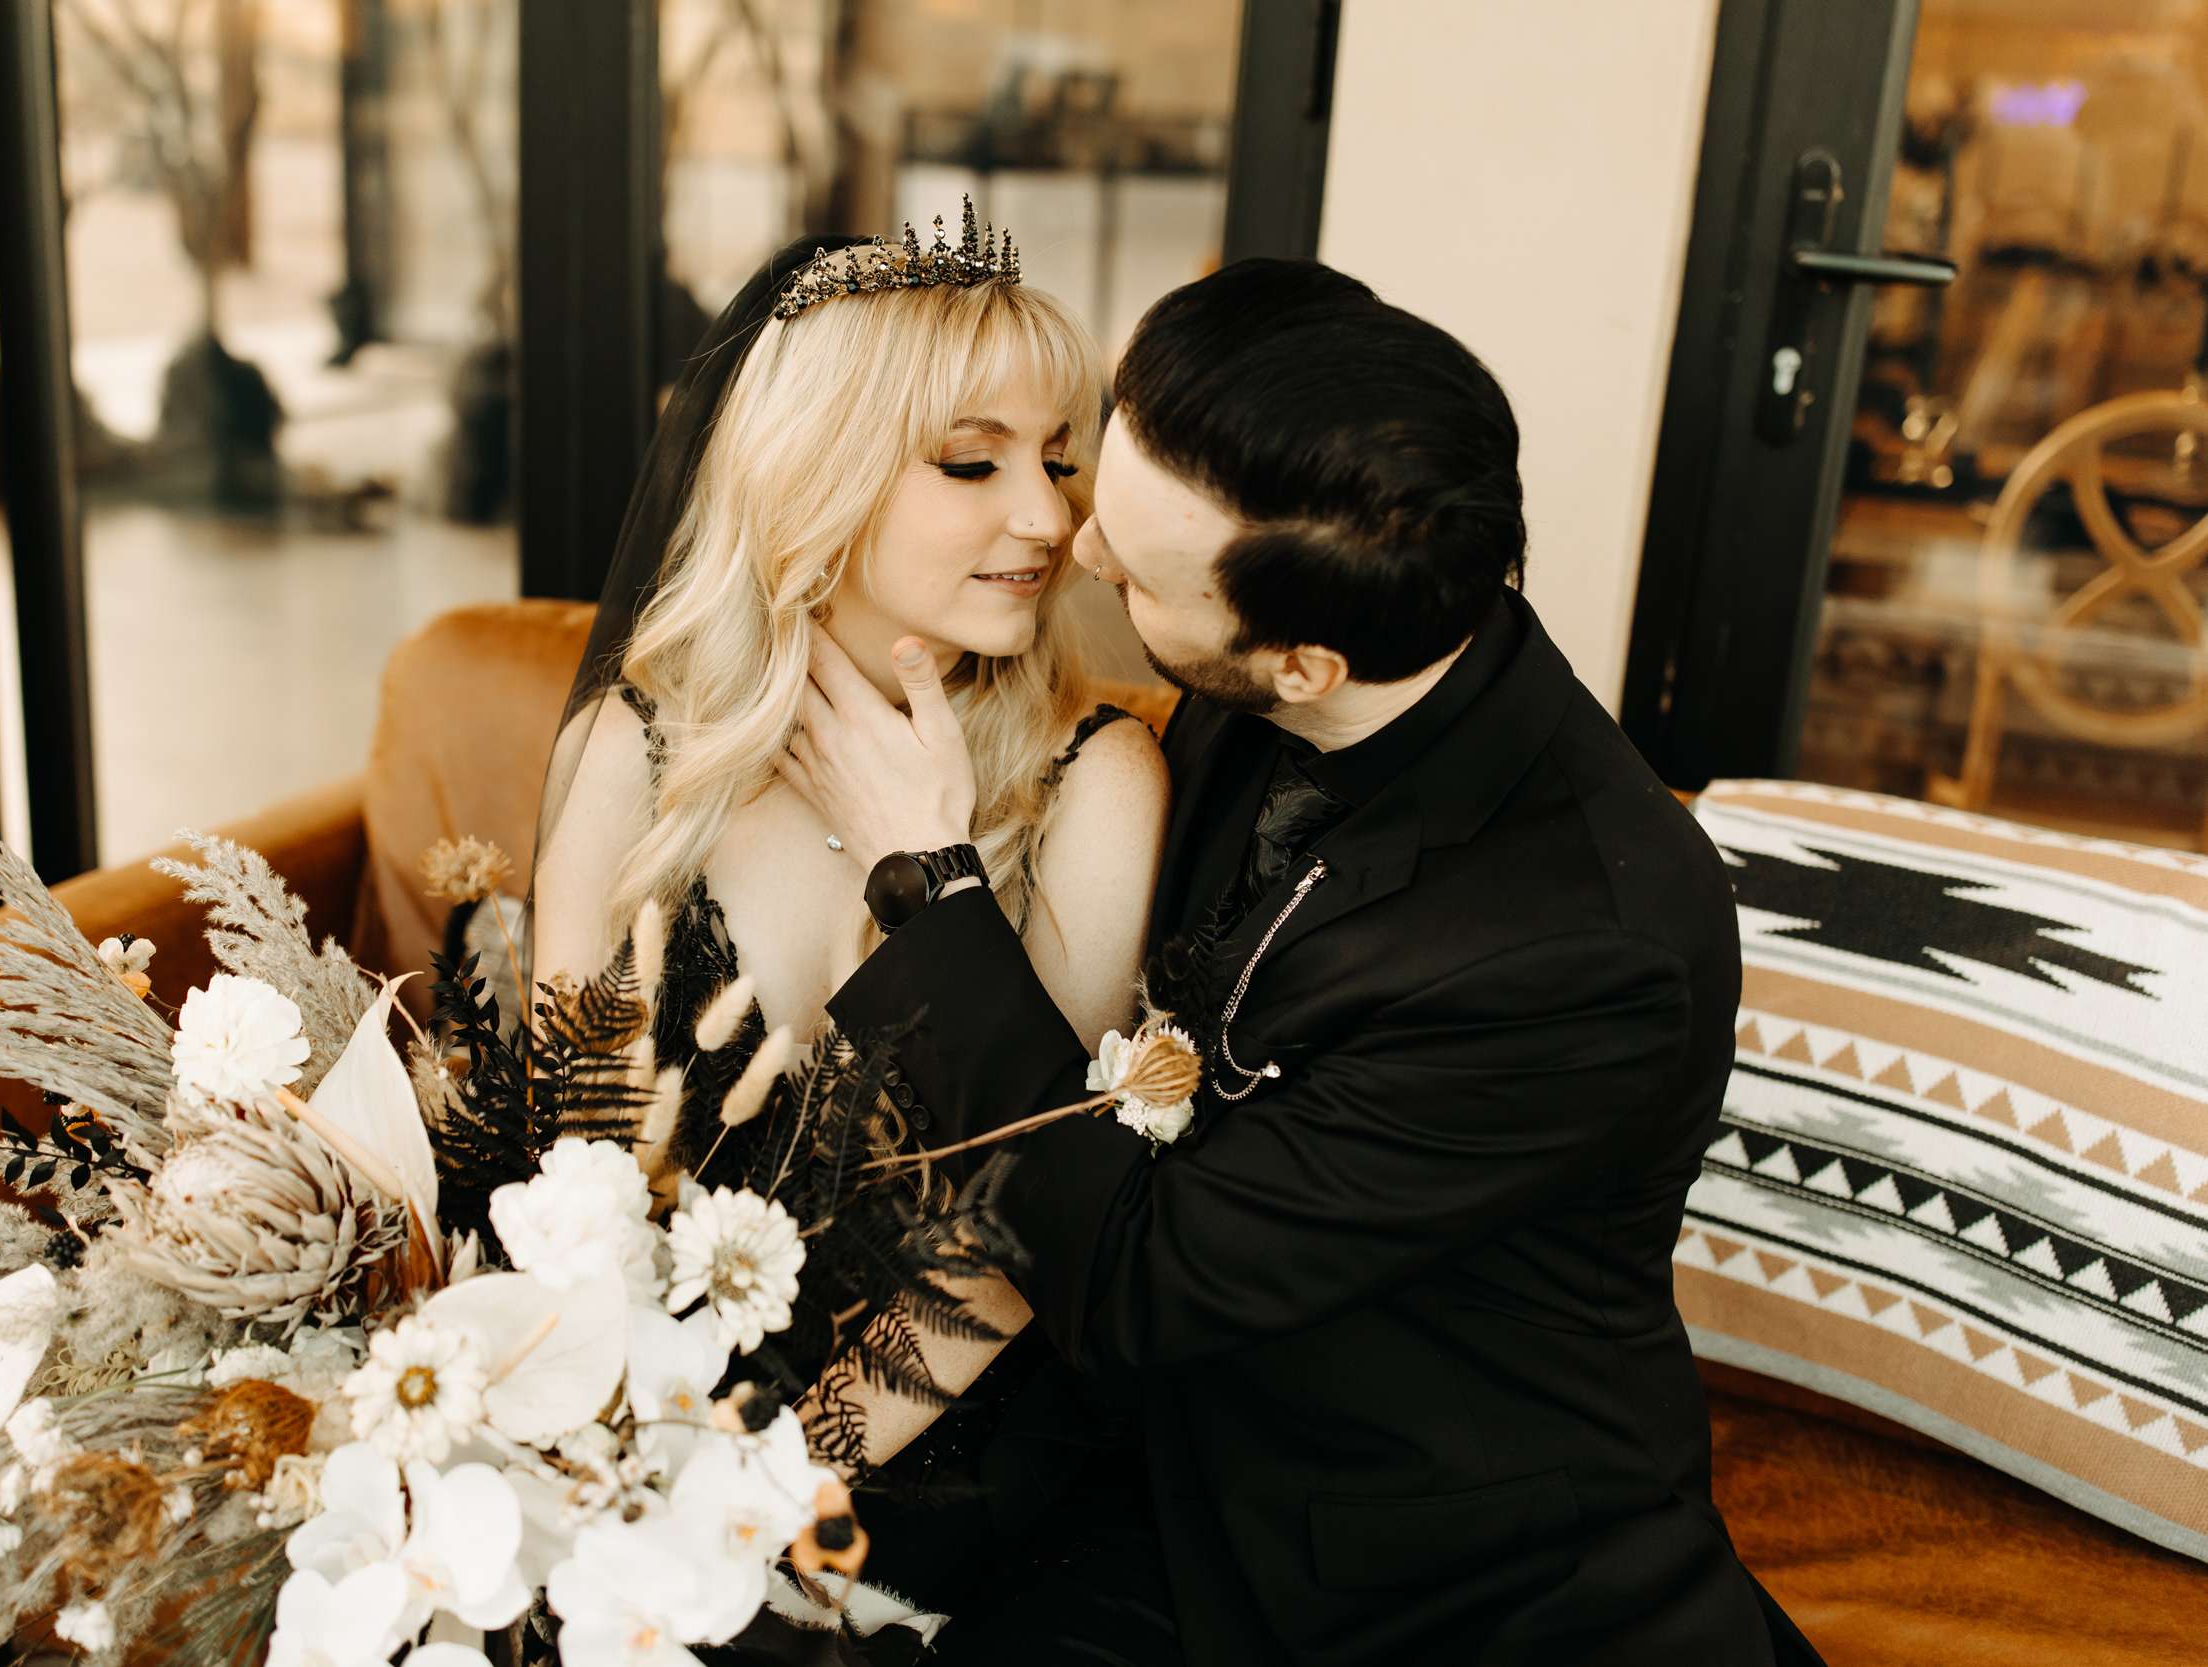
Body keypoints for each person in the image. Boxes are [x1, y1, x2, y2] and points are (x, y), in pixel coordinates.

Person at [784, 259, 1827, 1665]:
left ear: (1303, 668)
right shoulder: (1292, 663)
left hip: (1438, 1590)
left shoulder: (1584, 950)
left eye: (1135, 569)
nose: (1078, 549)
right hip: (1147, 1486)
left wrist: (931, 884)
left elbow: (1138, 1280)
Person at [524, 212, 1171, 1629]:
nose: (1051, 519)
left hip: (947, 1485)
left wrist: (759, 1493)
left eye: (1059, 458)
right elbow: (568, 1164)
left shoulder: (1094, 781)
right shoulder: (638, 754)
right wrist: (614, 1478)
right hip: (639, 1444)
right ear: (813, 471)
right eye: (973, 461)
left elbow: (1023, 1236)